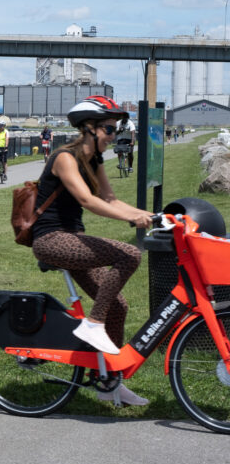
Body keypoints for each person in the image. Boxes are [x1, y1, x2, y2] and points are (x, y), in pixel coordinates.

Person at [30, 95, 153, 406]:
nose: (114, 137)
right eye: (109, 130)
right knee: (130, 254)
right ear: (89, 128)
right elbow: (87, 200)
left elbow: (110, 200)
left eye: (115, 131)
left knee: (120, 307)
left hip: (73, 239)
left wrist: (150, 215)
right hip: (52, 240)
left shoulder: (94, 161)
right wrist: (132, 218)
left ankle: (109, 382)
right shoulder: (65, 158)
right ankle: (93, 324)